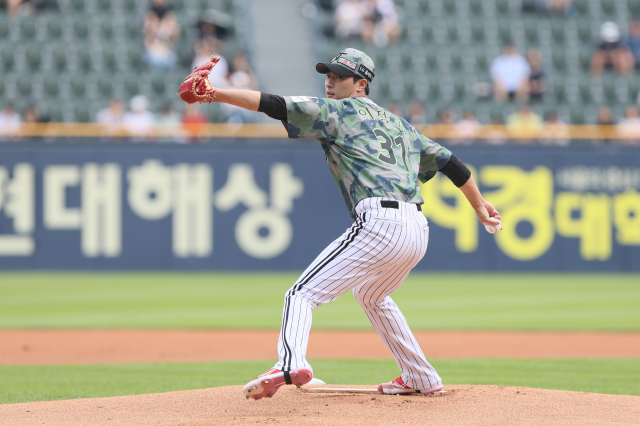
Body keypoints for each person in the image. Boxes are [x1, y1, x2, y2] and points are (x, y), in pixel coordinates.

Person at [178, 48, 502, 399]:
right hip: (417, 229)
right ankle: (420, 376)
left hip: (381, 222)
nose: (330, 82)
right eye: (328, 75)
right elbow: (452, 163)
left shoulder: (337, 111)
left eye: (339, 77)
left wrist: (213, 93)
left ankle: (290, 363)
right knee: (371, 294)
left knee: (301, 294)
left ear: (361, 84)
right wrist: (479, 205)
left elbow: (273, 104)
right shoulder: (400, 125)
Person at [143, 0, 181, 70]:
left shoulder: (170, 15)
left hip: (167, 53)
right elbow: (147, 32)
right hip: (153, 52)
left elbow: (175, 33)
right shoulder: (150, 14)